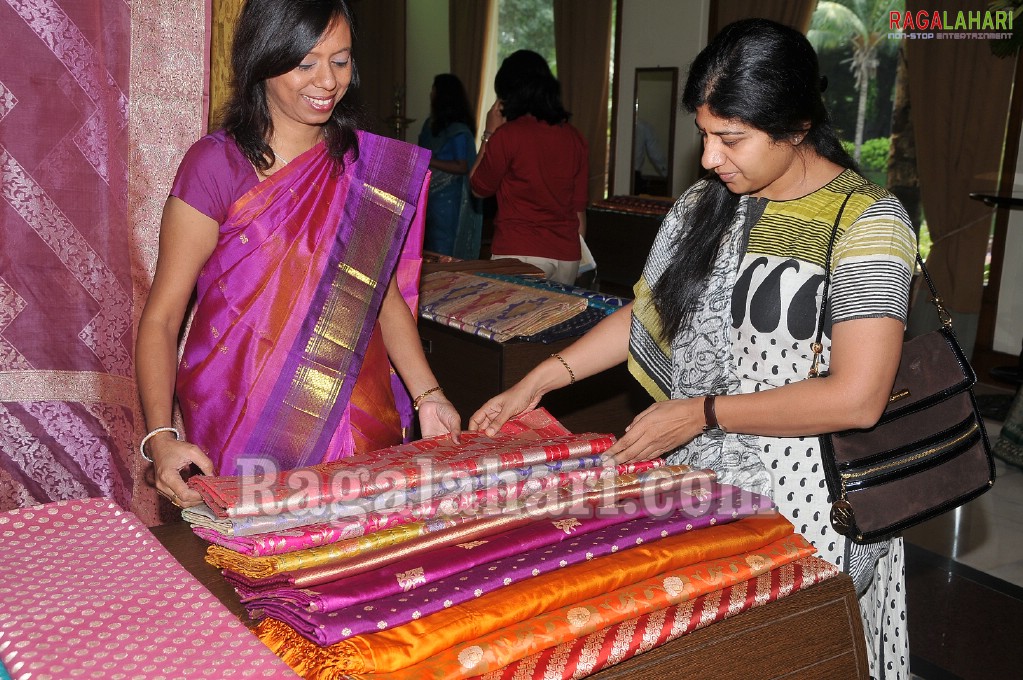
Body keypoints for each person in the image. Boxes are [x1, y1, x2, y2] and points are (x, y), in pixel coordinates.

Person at [470, 19, 913, 678]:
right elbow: (649, 315)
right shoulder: (708, 205)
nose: (708, 157)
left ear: (794, 127)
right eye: (704, 134)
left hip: (810, 507)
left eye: (729, 138)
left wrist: (703, 412)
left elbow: (856, 396)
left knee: (784, 657)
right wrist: (540, 379)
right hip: (699, 487)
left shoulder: (867, 224)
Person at [136, 0, 461, 510]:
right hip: (241, 417)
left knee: (353, 572)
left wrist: (428, 395)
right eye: (305, 62)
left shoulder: (362, 167)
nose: (327, 81)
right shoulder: (215, 166)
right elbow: (163, 317)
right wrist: (160, 437)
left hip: (354, 415)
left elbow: (380, 295)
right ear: (262, 61)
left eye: (341, 59)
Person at [470, 50, 588, 285]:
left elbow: (478, 187)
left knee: (510, 323)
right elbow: (578, 211)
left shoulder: (507, 136)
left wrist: (488, 133)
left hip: (520, 252)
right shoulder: (575, 137)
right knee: (557, 323)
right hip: (566, 257)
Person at [417, 73, 483, 259]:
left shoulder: (459, 131)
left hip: (449, 202)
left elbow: (462, 166)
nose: (431, 93)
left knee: (445, 251)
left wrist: (429, 160)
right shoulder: (430, 125)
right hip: (429, 197)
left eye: (434, 89)